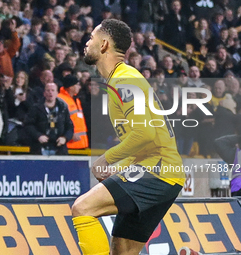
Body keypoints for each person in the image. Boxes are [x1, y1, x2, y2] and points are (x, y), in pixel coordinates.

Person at [71, 19, 185, 255]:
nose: (87, 42)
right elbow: (144, 137)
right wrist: (122, 166)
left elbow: (145, 133)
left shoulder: (124, 79)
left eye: (91, 38)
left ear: (104, 45)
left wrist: (107, 159)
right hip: (162, 172)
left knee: (83, 208)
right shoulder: (120, 79)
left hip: (157, 171)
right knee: (122, 251)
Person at [25, 82, 74, 155]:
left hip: (59, 148)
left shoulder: (63, 108)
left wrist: (65, 138)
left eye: (53, 90)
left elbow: (70, 127)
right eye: (48, 90)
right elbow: (28, 125)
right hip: (40, 147)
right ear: (44, 93)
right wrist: (38, 136)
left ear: (57, 93)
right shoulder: (35, 108)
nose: (50, 93)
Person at [58, 75, 89, 149]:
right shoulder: (60, 100)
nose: (80, 87)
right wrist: (69, 135)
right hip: (69, 144)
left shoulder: (76, 100)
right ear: (71, 87)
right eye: (77, 85)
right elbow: (59, 120)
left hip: (81, 143)